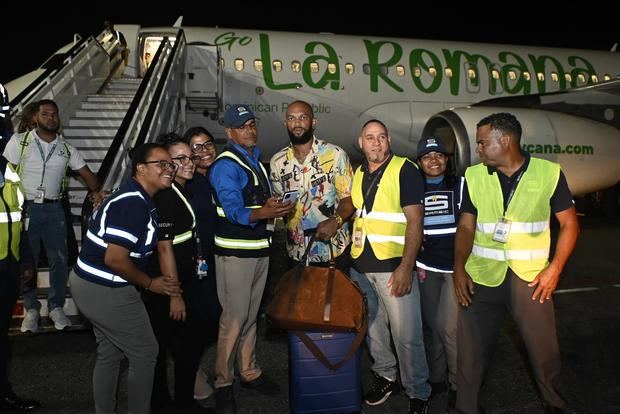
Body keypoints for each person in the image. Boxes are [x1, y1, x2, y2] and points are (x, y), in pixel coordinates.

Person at [454, 113, 580, 414]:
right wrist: (459, 269)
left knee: (543, 350)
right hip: (482, 279)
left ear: (505, 140)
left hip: (531, 280)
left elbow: (570, 225)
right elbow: (467, 227)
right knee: (470, 353)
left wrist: (555, 269)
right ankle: (465, 408)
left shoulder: (548, 173)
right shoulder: (473, 176)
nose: (479, 148)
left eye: (483, 142)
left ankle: (554, 403)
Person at [69, 143, 181, 414]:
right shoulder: (133, 203)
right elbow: (115, 259)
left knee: (110, 352)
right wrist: (150, 283)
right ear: (141, 169)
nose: (170, 169)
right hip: (104, 288)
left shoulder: (136, 195)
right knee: (145, 352)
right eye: (161, 164)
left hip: (89, 283)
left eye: (171, 164)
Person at [209, 105, 294, 414]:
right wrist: (265, 212)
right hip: (236, 253)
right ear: (229, 133)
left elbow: (252, 201)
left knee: (250, 316)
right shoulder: (226, 165)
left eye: (252, 124)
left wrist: (268, 204)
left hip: (257, 249)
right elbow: (233, 210)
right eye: (242, 127)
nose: (250, 130)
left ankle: (249, 371)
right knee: (233, 320)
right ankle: (223, 383)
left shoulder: (252, 159)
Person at [349, 119, 431, 413]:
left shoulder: (405, 169)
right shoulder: (358, 172)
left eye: (381, 137)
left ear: (389, 141)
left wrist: (406, 267)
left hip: (393, 267)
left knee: (407, 335)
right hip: (360, 265)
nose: (376, 143)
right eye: (370, 138)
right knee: (373, 330)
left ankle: (418, 391)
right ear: (361, 143)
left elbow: (415, 221)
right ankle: (386, 376)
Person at [2, 99, 104, 333]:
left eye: (55, 114)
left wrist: (96, 191)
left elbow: (90, 178)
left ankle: (56, 307)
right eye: (46, 114)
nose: (52, 118)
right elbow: (5, 174)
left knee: (59, 259)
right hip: (24, 208)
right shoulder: (20, 142)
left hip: (55, 209)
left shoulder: (66, 148)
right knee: (28, 260)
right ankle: (31, 309)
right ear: (35, 118)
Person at [145, 133, 212, 413]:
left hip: (185, 277)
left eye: (191, 157)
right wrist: (174, 295)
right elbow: (164, 249)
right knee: (161, 349)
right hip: (166, 284)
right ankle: (163, 405)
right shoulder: (166, 197)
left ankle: (183, 402)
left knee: (187, 344)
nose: (188, 163)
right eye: (180, 158)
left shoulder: (185, 189)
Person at [269, 100, 355, 269]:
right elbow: (280, 205)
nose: (297, 123)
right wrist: (274, 208)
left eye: (303, 117)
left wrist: (335, 220)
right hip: (297, 252)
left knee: (336, 296)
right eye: (292, 118)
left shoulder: (335, 155)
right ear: (286, 123)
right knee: (298, 297)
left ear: (313, 122)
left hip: (333, 251)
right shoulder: (277, 162)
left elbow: (349, 199)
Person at [415, 136, 463, 411]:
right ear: (420, 162)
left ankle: (458, 383)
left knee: (450, 329)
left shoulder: (459, 185)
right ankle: (437, 378)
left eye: (438, 155)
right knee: (431, 326)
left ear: (447, 159)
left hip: (455, 268)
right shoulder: (414, 188)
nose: (433, 160)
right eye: (427, 156)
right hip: (427, 267)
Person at [183, 126, 222, 401]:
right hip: (195, 262)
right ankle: (192, 376)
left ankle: (196, 368)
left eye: (207, 144)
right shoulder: (187, 181)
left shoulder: (221, 175)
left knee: (215, 317)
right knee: (197, 321)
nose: (204, 150)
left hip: (219, 258)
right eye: (196, 147)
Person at [0, 154, 41, 412]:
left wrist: (24, 259)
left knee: (1, 337)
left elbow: (17, 221)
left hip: (7, 267)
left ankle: (3, 393)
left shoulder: (9, 171)